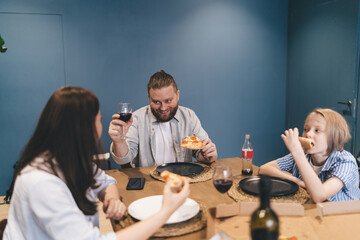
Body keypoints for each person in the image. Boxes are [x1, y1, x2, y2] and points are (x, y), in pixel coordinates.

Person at [3, 86, 190, 240]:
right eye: (99, 120)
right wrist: (167, 210)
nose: (101, 126)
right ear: (83, 128)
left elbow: (106, 181)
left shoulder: (66, 159)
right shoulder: (41, 183)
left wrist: (112, 198)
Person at [109, 70, 218, 167]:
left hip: (182, 181)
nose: (163, 108)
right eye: (156, 102)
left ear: (178, 95)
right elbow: (123, 159)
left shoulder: (189, 116)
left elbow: (200, 151)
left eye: (168, 100)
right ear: (149, 98)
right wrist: (119, 142)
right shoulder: (137, 119)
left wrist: (208, 155)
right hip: (149, 184)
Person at [259, 108, 360, 203]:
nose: (308, 134)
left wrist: (297, 153)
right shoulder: (304, 154)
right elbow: (264, 169)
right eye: (306, 129)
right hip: (313, 208)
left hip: (345, 215)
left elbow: (320, 196)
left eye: (317, 130)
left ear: (334, 136)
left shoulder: (345, 161)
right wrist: (299, 182)